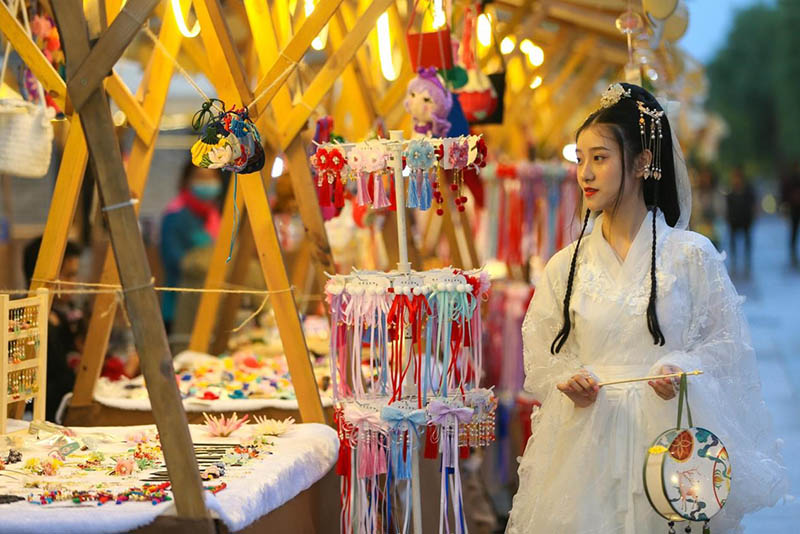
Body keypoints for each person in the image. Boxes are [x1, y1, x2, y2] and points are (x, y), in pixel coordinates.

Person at [507, 84, 786, 533]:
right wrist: (569, 379)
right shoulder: (564, 266)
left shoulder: (690, 255)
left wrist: (682, 366)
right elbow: (540, 353)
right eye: (580, 159)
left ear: (641, 162)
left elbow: (727, 345)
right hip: (587, 451)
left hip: (669, 447)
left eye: (600, 158)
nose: (585, 174)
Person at [23, 237, 86, 422]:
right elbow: (33, 396)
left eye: (75, 275)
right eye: (68, 275)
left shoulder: (66, 314)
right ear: (45, 277)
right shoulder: (26, 322)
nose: (74, 283)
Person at [159, 160, 222, 332]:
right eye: (202, 177)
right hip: (180, 307)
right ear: (187, 180)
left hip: (207, 307)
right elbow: (174, 260)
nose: (208, 183)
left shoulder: (213, 216)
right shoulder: (175, 216)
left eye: (212, 177)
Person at [725, 167, 757, 274]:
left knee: (747, 239)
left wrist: (753, 216)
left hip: (745, 219)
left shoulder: (748, 191)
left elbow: (753, 205)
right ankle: (734, 260)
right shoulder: (730, 192)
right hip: (734, 220)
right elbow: (727, 207)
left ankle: (747, 260)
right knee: (733, 240)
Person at [780, 161, 800, 267]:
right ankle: (792, 252)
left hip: (794, 208)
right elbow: (785, 194)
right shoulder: (791, 180)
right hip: (794, 209)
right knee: (794, 231)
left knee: (794, 231)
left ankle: (793, 252)